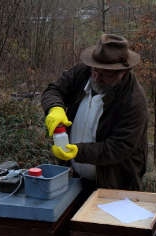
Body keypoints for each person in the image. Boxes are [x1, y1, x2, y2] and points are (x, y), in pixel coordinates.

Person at [41, 34, 148, 190]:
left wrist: (78, 151)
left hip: (114, 184)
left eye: (105, 74)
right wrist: (55, 108)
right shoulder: (83, 72)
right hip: (75, 179)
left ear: (122, 73)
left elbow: (120, 147)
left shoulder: (134, 101)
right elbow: (54, 90)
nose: (96, 78)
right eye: (95, 70)